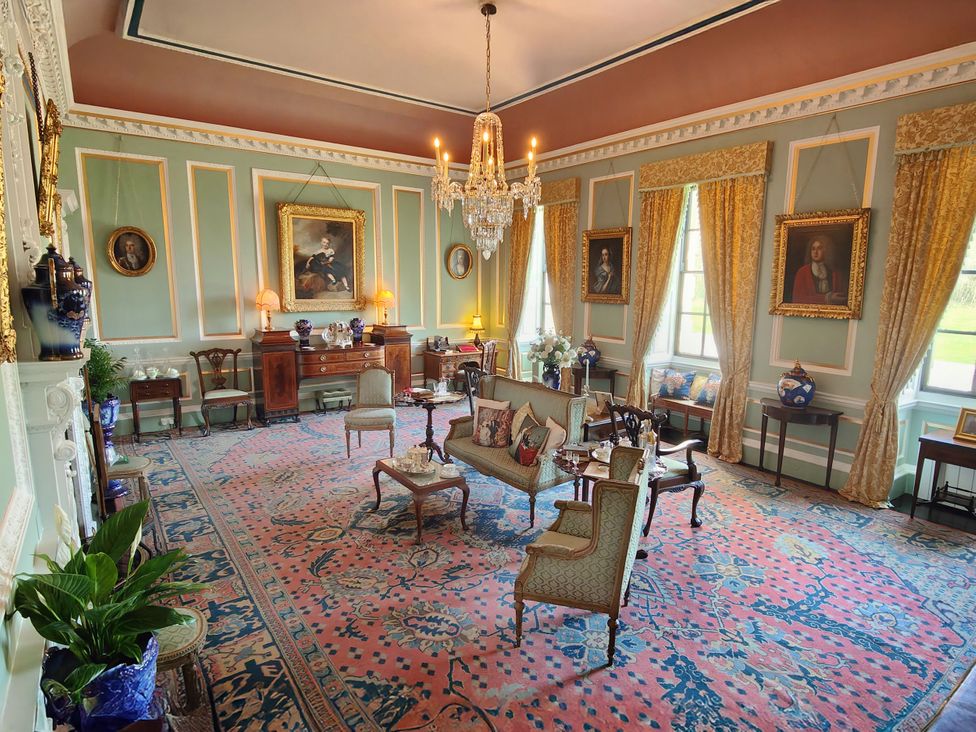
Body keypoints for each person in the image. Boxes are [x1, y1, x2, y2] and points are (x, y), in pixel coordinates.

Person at [791, 235, 848, 305]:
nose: (815, 252)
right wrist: (826, 298)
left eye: (819, 248)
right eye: (813, 249)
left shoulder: (835, 272)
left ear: (826, 250)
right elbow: (797, 299)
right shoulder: (802, 272)